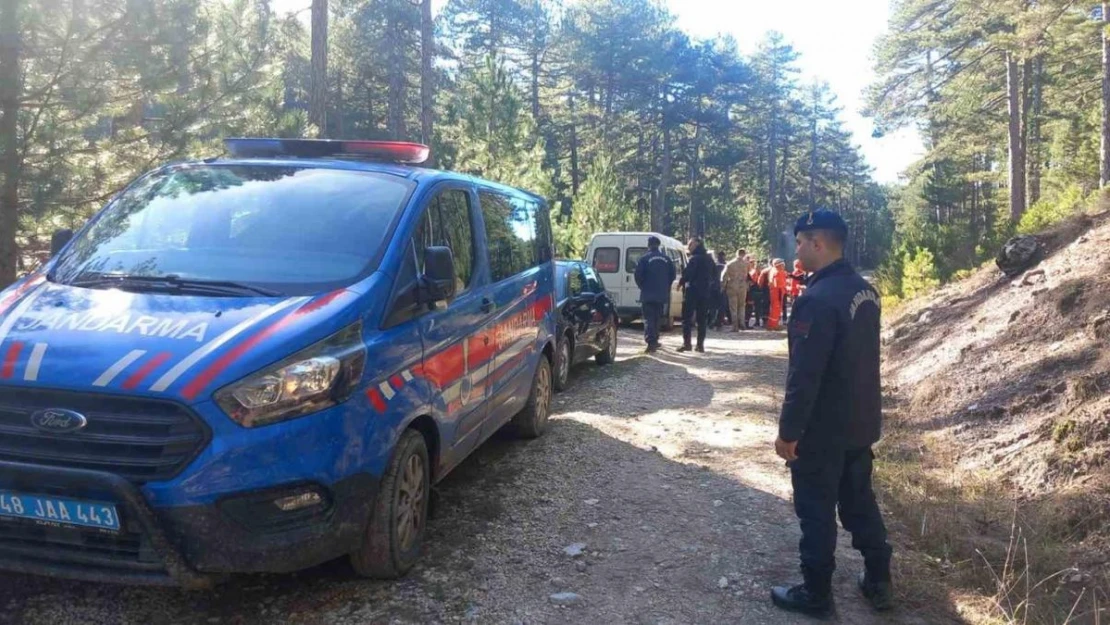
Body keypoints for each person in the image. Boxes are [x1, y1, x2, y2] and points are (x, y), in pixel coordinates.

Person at [771, 208, 893, 619]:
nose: (798, 248)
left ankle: (816, 592)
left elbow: (805, 375)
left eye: (802, 242)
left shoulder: (816, 300)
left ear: (818, 243)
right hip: (860, 423)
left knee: (816, 511)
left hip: (822, 430)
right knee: (860, 504)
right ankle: (879, 579)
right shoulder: (866, 292)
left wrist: (789, 432)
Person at [633, 236, 676, 353]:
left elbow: (637, 275)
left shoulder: (644, 259)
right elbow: (673, 275)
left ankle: (651, 342)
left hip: (647, 294)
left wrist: (643, 286)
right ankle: (655, 339)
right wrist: (665, 286)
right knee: (657, 318)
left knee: (648, 319)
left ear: (649, 245)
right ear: (658, 245)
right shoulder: (667, 259)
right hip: (661, 294)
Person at [677, 237, 715, 353]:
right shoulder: (709, 259)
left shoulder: (694, 259)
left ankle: (687, 344)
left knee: (687, 318)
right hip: (705, 292)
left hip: (693, 291)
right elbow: (714, 274)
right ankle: (700, 345)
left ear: (697, 244)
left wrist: (681, 282)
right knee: (702, 320)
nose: (689, 247)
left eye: (690, 244)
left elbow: (688, 273)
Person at [721, 249, 749, 332]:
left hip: (732, 286)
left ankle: (735, 326)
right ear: (744, 254)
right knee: (742, 306)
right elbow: (746, 275)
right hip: (743, 286)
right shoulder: (746, 264)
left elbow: (724, 276)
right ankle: (742, 323)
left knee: (733, 307)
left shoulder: (730, 264)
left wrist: (722, 286)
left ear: (736, 254)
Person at [767, 258, 787, 331]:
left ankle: (771, 324)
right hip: (777, 292)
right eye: (782, 264)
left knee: (774, 308)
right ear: (779, 265)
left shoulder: (773, 270)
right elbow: (777, 284)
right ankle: (774, 325)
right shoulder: (778, 272)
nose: (784, 266)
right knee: (776, 308)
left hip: (776, 292)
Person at [713, 250, 729, 329]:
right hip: (723, 288)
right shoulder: (726, 266)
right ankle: (719, 321)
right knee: (722, 306)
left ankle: (712, 321)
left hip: (714, 288)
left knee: (713, 306)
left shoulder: (714, 265)